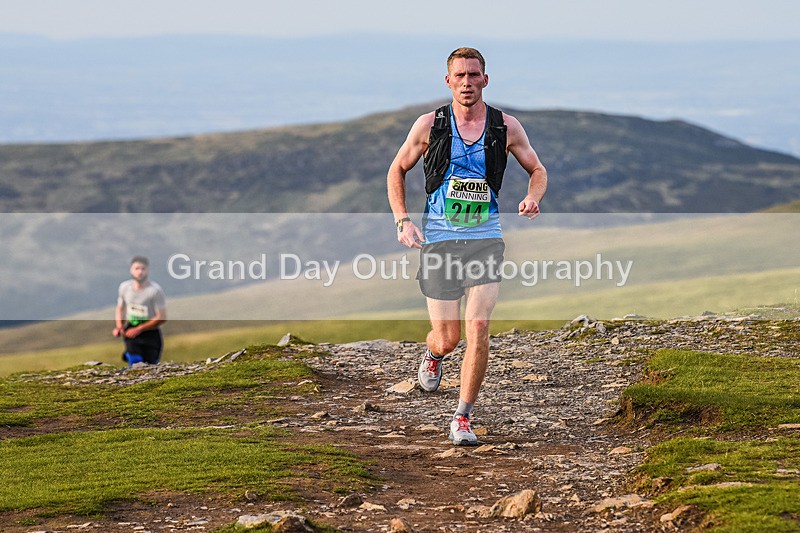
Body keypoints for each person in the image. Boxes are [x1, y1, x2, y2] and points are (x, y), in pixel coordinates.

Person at [387, 47, 547, 445]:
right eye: (459, 76)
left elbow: (537, 169)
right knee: (448, 337)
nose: (467, 82)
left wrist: (533, 196)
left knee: (478, 325)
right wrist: (402, 220)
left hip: (484, 239)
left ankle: (462, 416)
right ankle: (435, 354)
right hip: (440, 241)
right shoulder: (430, 124)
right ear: (448, 81)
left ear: (485, 80)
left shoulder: (506, 127)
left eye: (474, 75)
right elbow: (397, 169)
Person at [112, 256, 168, 366]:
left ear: (148, 270)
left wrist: (140, 329)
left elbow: (162, 316)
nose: (140, 272)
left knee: (151, 366)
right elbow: (120, 307)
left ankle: (127, 355)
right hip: (131, 330)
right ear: (131, 270)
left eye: (143, 269)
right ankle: (130, 355)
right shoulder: (124, 287)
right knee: (136, 363)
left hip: (150, 333)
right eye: (137, 268)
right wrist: (119, 326)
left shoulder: (155, 290)